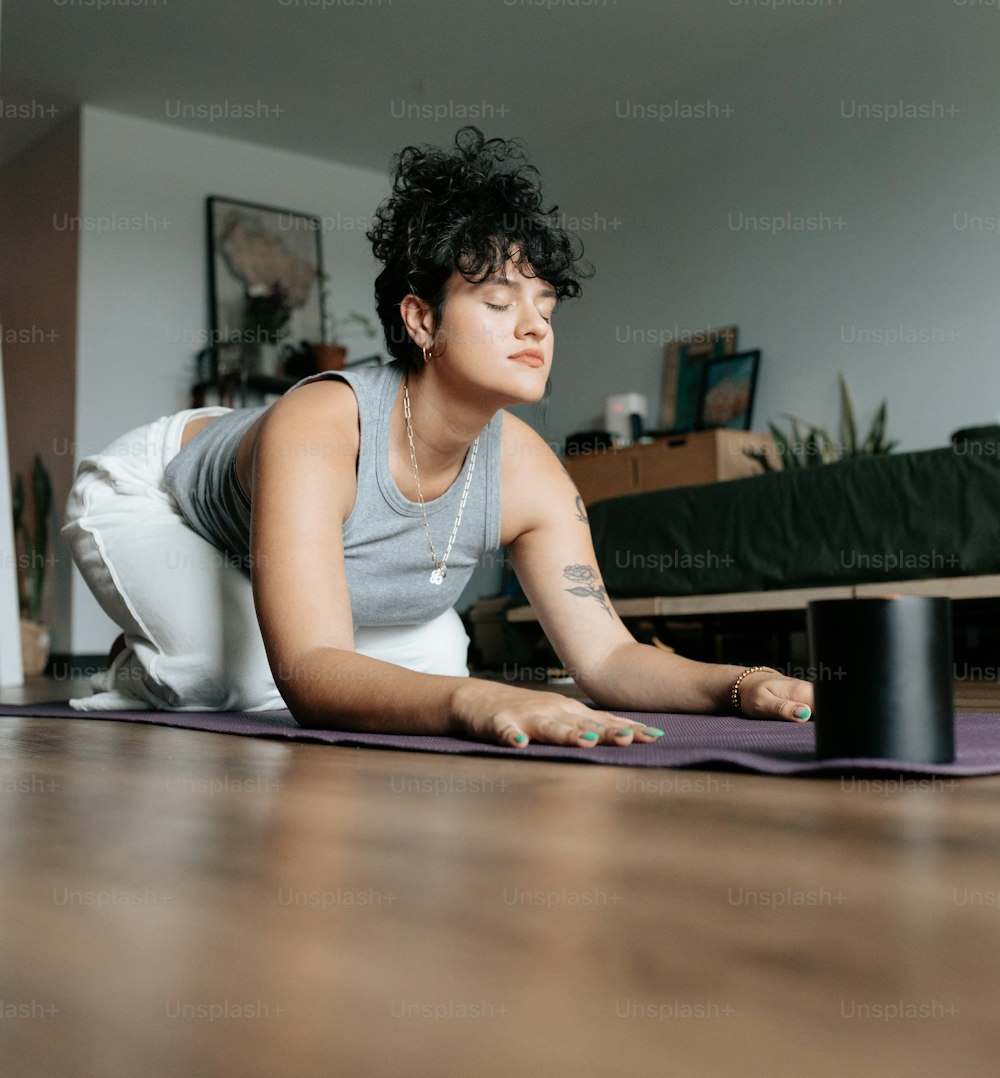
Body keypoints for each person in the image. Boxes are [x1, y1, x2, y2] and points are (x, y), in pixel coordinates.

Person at [61, 126, 814, 748]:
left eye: (545, 309)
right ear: (422, 320)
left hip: (295, 554)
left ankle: (214, 631)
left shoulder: (531, 472)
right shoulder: (322, 425)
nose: (534, 327)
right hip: (158, 498)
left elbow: (607, 655)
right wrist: (478, 704)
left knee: (441, 660)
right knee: (243, 681)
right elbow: (313, 670)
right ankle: (147, 666)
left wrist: (743, 685)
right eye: (497, 302)